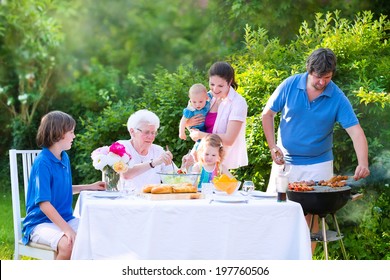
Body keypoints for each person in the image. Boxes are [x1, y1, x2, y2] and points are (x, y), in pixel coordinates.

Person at [261, 48, 370, 250]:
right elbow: (267, 115)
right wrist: (272, 146)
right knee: (276, 214)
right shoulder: (290, 84)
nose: (322, 82)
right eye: (318, 77)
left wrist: (363, 162)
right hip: (286, 164)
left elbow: (356, 131)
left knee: (311, 220)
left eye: (326, 77)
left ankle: (306, 266)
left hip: (318, 165)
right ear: (309, 70)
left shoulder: (337, 97)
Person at [22, 111, 106, 260]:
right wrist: (67, 230)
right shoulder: (43, 162)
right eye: (71, 132)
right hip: (40, 223)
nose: (74, 136)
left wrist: (89, 186)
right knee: (69, 243)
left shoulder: (64, 157)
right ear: (59, 133)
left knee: (99, 234)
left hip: (65, 218)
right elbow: (44, 204)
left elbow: (62, 189)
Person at [186, 61, 248, 170]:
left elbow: (229, 139)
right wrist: (189, 124)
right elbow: (189, 120)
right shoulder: (206, 96)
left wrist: (201, 135)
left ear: (229, 82)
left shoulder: (238, 103)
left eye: (220, 85)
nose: (215, 89)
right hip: (200, 156)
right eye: (212, 84)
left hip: (222, 162)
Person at [118, 109, 175, 192]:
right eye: (146, 132)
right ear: (132, 132)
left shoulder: (158, 151)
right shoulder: (121, 147)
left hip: (153, 201)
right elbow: (125, 174)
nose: (151, 136)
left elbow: (173, 179)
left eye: (153, 132)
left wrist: (186, 166)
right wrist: (153, 163)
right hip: (127, 201)